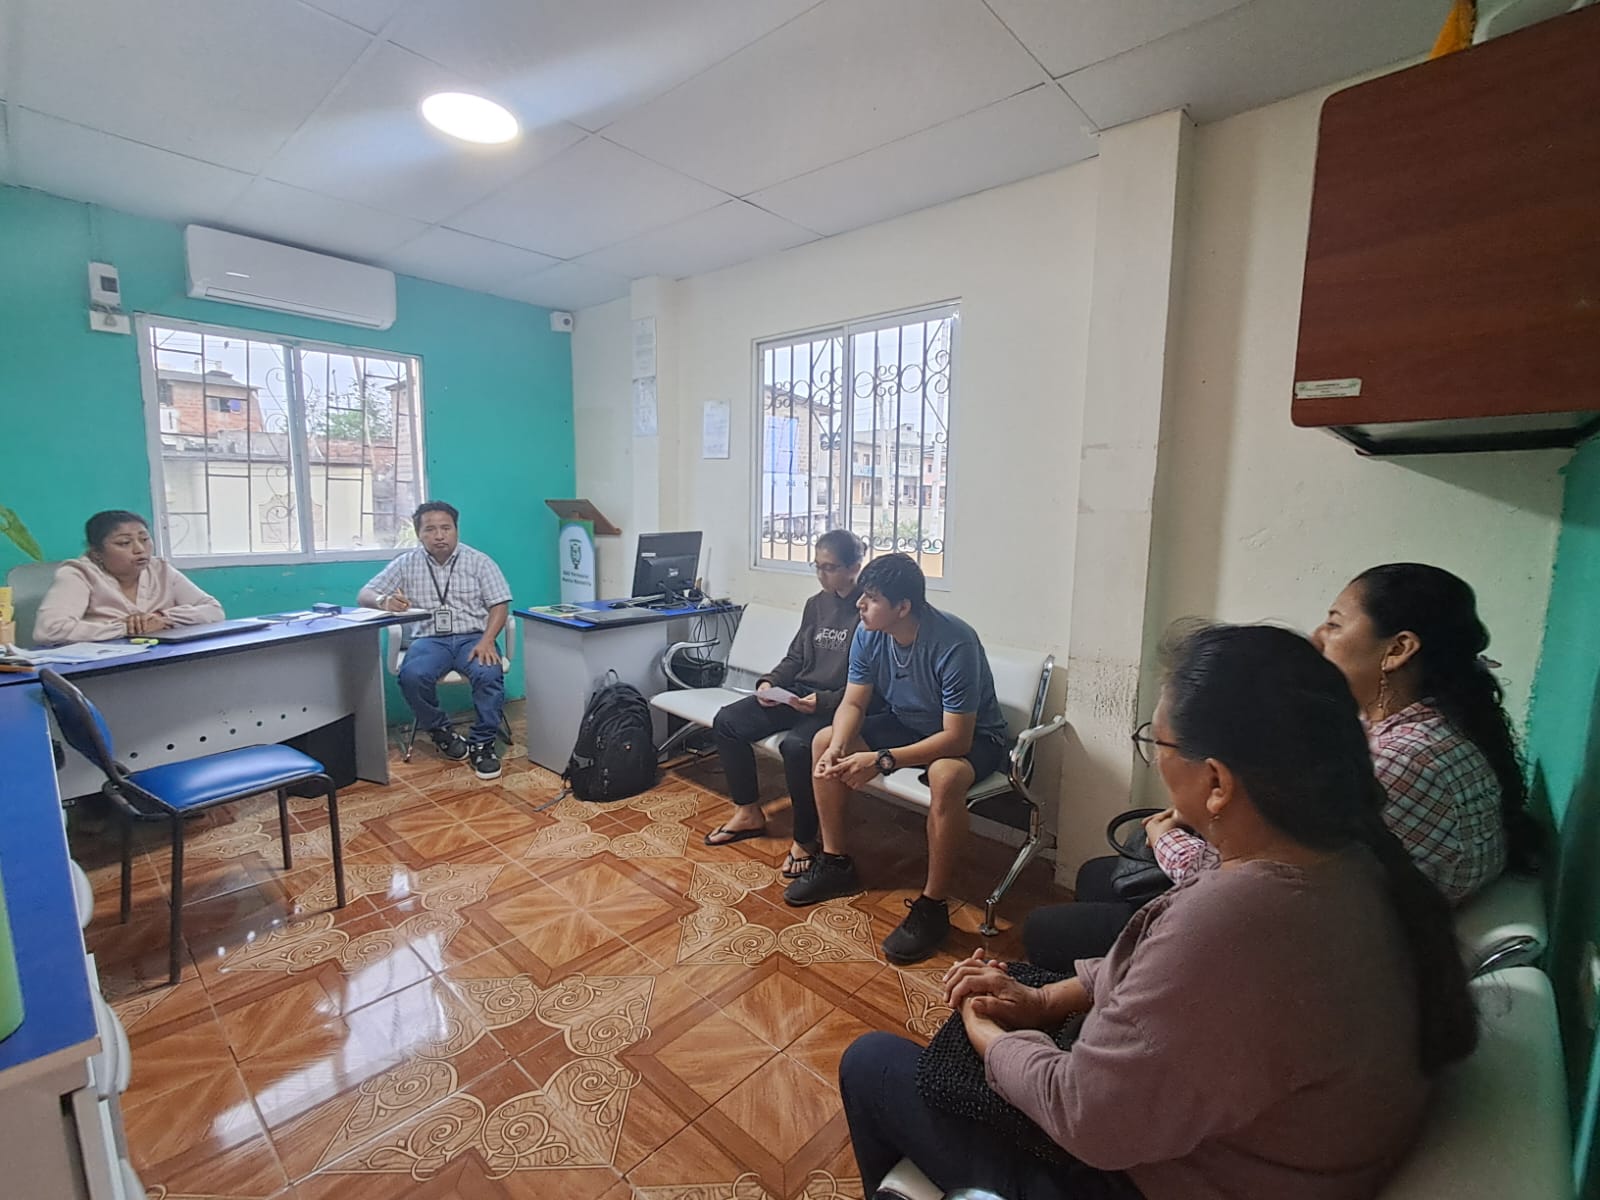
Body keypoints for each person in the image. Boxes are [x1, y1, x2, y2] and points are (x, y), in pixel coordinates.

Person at [840, 624, 1477, 1200]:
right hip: (1232, 1150)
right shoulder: (1347, 859)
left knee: (870, 1064)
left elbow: (1086, 1117)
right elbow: (1157, 975)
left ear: (1217, 782)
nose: (1156, 759)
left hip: (1152, 1177)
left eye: (1156, 740)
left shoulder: (1235, 921)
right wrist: (1043, 1001)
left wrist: (992, 1038)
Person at [1024, 562, 1529, 970]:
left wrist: (1166, 837)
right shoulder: (1425, 728)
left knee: (1051, 926)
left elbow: (1255, 885)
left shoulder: (1397, 762)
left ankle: (1110, 996)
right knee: (1101, 877)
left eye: (1336, 623)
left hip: (1317, 948)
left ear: (1398, 649)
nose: (1318, 637)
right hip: (1323, 916)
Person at [784, 552, 1010, 965]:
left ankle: (933, 905)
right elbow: (854, 702)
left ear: (903, 607)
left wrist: (882, 759)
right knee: (822, 741)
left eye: (871, 598)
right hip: (908, 723)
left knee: (945, 776)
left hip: (974, 737)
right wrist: (839, 746)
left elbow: (957, 738)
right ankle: (835, 862)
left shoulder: (954, 642)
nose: (859, 604)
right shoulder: (869, 632)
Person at [704, 529, 866, 879]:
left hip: (836, 706)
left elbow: (868, 688)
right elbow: (796, 657)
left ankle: (805, 839)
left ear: (855, 567)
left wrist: (823, 701)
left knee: (797, 747)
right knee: (728, 722)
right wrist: (770, 683)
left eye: (829, 567)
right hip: (799, 693)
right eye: (816, 566)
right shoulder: (816, 604)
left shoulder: (869, 611)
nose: (821, 575)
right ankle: (748, 812)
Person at [360, 501, 512, 781]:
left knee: (488, 673)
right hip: (429, 640)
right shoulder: (406, 563)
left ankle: (483, 743)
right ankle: (441, 731)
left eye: (446, 528)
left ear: (456, 530)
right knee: (412, 677)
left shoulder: (479, 561)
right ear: (419, 533)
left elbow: (500, 604)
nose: (439, 535)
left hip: (473, 638)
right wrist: (385, 601)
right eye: (430, 529)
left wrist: (488, 640)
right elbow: (364, 595)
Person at [35, 510, 224, 644]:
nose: (140, 549)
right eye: (124, 543)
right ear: (96, 553)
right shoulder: (79, 573)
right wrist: (127, 628)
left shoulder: (160, 569)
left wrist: (163, 617)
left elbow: (214, 611)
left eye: (144, 539)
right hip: (102, 668)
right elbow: (50, 630)